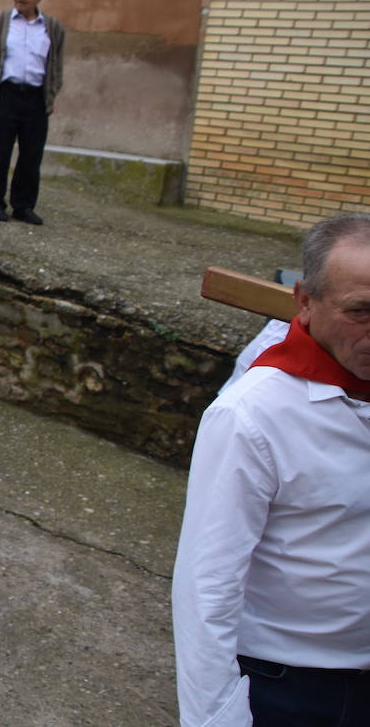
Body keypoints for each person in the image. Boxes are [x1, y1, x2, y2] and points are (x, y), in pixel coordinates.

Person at [172, 213, 370, 727]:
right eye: (361, 311)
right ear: (304, 302)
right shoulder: (252, 416)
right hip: (297, 686)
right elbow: (206, 586)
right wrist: (215, 716)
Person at [0, 0, 65, 225]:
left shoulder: (52, 27)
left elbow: (55, 65)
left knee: (31, 155)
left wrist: (51, 94)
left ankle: (23, 206)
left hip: (36, 97)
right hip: (5, 94)